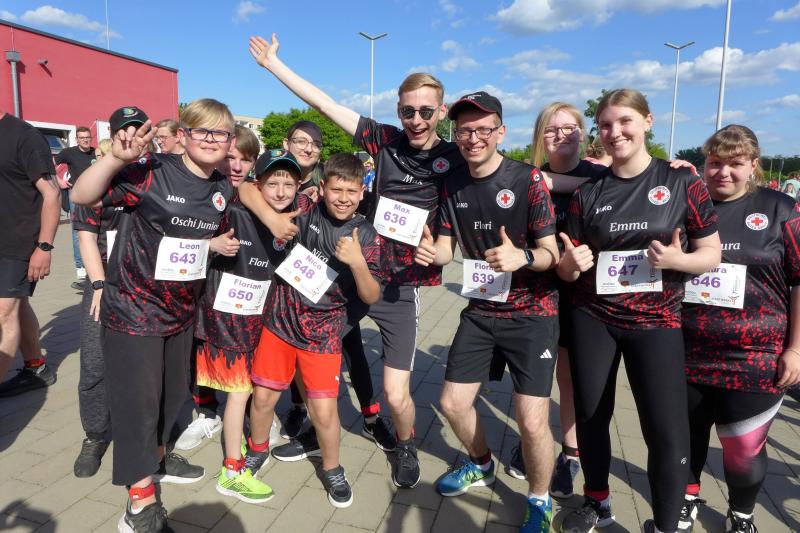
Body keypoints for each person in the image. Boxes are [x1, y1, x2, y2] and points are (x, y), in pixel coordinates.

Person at [241, 33, 466, 488]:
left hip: (398, 287)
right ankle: (311, 425)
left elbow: (460, 222)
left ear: (441, 112)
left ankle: (403, 442)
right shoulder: (385, 140)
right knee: (311, 349)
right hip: (345, 278)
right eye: (408, 111)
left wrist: (442, 252)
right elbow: (324, 104)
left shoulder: (454, 158)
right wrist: (274, 66)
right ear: (398, 110)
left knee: (397, 393)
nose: (417, 120)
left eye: (426, 111)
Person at [71, 98, 239, 532]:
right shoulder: (150, 171)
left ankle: (157, 460)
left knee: (172, 396)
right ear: (183, 135)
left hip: (181, 312)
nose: (210, 140)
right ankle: (139, 505)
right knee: (139, 405)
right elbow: (82, 196)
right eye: (201, 130)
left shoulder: (224, 188)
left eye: (220, 133)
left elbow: (210, 237)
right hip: (134, 309)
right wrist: (113, 159)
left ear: (229, 141)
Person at [558, 88, 721, 533]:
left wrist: (679, 261)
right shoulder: (589, 192)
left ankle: (665, 524)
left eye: (625, 121)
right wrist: (569, 265)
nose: (615, 132)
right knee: (592, 416)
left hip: (657, 321)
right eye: (606, 125)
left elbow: (711, 253)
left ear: (647, 121)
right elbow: (568, 267)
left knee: (665, 429)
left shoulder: (681, 182)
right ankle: (596, 501)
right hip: (594, 317)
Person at [415, 92, 559, 532]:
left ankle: (540, 500)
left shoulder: (527, 179)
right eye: (465, 131)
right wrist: (432, 254)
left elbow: (551, 253)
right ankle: (480, 464)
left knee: (531, 421)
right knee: (451, 403)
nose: (473, 138)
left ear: (500, 132)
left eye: (483, 129)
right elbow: (446, 249)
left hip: (533, 313)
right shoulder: (452, 183)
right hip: (481, 308)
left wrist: (523, 258)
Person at [679, 125, 800, 533]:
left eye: (735, 163)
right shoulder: (687, 204)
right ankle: (686, 498)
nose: (723, 172)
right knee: (686, 436)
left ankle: (742, 513)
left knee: (744, 447)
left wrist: (796, 349)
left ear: (754, 166)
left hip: (755, 355)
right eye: (715, 163)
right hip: (686, 347)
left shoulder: (781, 209)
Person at [248, 153, 382, 508]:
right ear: (322, 188)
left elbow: (371, 295)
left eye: (351, 192)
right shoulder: (305, 210)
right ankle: (257, 450)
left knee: (323, 412)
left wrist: (358, 263)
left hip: (322, 336)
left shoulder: (367, 234)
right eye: (336, 189)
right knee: (263, 398)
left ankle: (333, 468)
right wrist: (271, 219)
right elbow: (247, 189)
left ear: (362, 193)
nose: (343, 198)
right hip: (279, 324)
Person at [503, 103, 610, 498]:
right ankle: (533, 441)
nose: (561, 134)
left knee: (569, 379)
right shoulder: (527, 177)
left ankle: (570, 453)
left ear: (582, 132)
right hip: (534, 292)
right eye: (551, 128)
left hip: (583, 294)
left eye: (569, 127)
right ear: (539, 136)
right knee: (533, 378)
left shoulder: (601, 177)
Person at [193, 127, 290, 504]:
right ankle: (232, 470)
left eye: (288, 184)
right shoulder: (227, 206)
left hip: (260, 323)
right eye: (272, 183)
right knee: (238, 394)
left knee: (246, 392)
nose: (280, 191)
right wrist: (210, 245)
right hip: (227, 323)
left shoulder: (289, 216)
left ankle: (244, 449)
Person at [70, 107, 147, 478]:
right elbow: (86, 236)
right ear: (113, 137)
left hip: (147, 288)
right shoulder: (97, 178)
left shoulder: (155, 177)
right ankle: (96, 435)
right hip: (104, 284)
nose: (130, 137)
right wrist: (99, 283)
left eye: (138, 130)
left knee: (144, 368)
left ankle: (149, 435)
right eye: (123, 131)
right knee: (94, 365)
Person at [0, 108, 61, 397]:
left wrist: (44, 247)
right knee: (18, 304)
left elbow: (52, 193)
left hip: (18, 242)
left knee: (4, 315)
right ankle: (36, 367)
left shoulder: (23, 135)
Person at [56, 126, 96, 289]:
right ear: (77, 139)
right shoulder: (69, 153)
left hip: (95, 194)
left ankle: (94, 264)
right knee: (77, 230)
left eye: (87, 137)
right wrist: (59, 181)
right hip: (77, 194)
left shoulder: (96, 152)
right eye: (82, 137)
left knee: (95, 228)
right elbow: (48, 164)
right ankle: (81, 267)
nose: (85, 140)